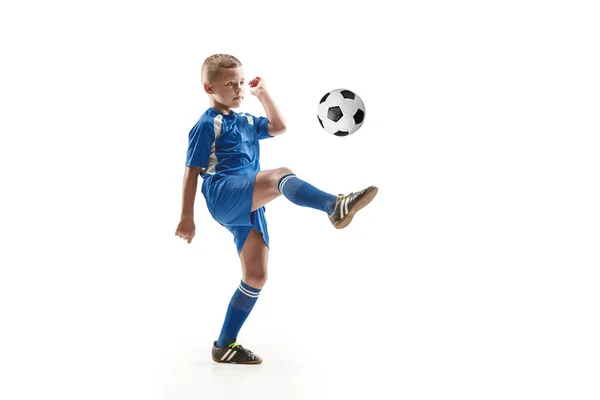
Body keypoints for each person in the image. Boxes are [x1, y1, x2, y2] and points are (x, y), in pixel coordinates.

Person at [175, 54, 378, 364]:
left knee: (256, 276)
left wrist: (262, 93)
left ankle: (224, 345)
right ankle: (333, 205)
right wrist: (187, 217)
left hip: (249, 200)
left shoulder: (243, 120)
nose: (239, 89)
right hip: (224, 193)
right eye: (231, 84)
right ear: (209, 87)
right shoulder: (206, 124)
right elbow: (191, 171)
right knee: (280, 174)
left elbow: (278, 126)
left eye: (241, 82)